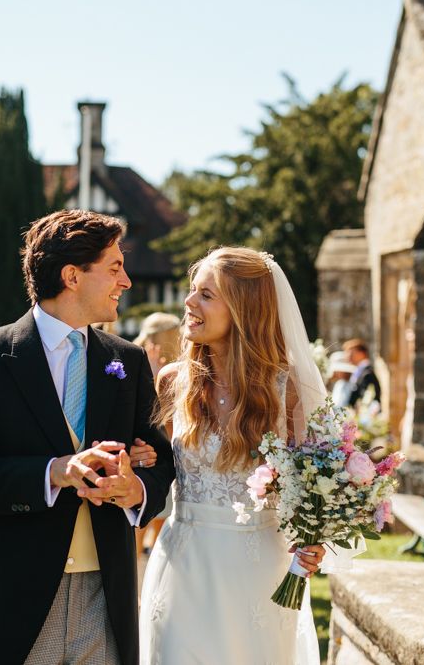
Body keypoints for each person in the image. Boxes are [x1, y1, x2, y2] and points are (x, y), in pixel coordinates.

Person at [0, 209, 175, 665]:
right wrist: (55, 472)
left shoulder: (127, 362)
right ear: (71, 276)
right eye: (114, 268)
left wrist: (137, 488)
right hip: (17, 592)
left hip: (107, 593)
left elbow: (159, 461)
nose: (125, 281)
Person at [132, 247, 327, 664]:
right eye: (192, 291)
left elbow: (313, 481)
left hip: (258, 569)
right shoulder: (172, 382)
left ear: (243, 309)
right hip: (182, 560)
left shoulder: (285, 386)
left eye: (206, 294)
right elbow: (163, 470)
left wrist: (313, 537)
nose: (189, 302)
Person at [131, 312, 182, 555]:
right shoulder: (136, 362)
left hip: (170, 456)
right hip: (148, 456)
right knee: (139, 528)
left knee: (162, 525)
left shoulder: (177, 367)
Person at [343, 338, 382, 408]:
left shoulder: (368, 373)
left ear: (361, 353)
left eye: (351, 353)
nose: (347, 357)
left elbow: (367, 398)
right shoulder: (359, 372)